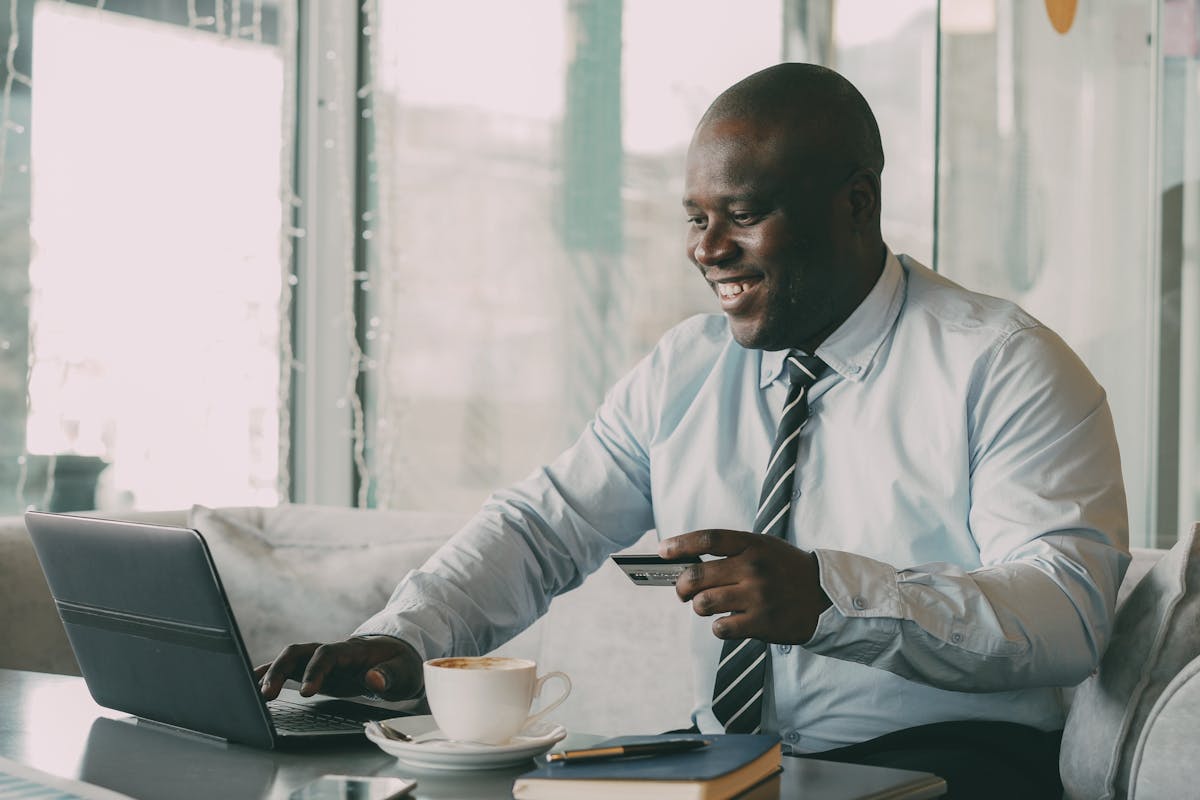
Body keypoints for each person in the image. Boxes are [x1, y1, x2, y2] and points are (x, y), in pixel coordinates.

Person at [257, 63, 1128, 798]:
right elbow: (543, 525)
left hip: (949, 765)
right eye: (695, 217)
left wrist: (833, 596)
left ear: (855, 206)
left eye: (741, 216)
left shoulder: (1005, 366)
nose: (706, 249)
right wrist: (408, 636)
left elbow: (1066, 613)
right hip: (726, 759)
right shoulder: (688, 365)